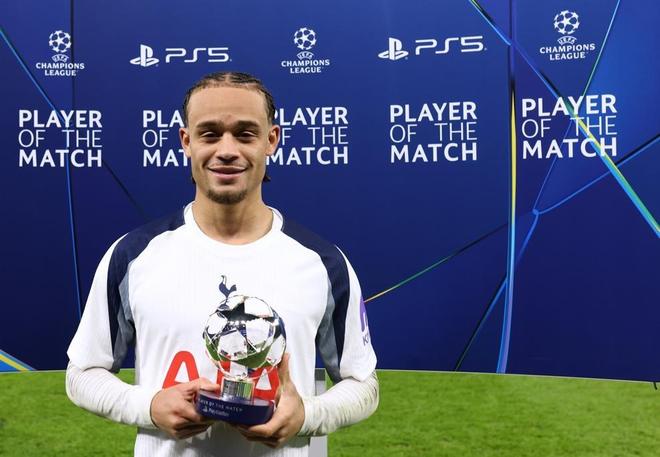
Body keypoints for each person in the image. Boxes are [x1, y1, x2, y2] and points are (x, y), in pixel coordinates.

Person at [66, 71, 379, 456]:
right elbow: (82, 373)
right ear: (186, 141)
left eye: (245, 134)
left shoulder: (322, 263)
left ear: (271, 140)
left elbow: (363, 384)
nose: (227, 150)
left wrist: (307, 415)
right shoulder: (133, 255)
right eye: (210, 134)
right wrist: (149, 406)